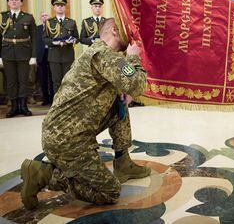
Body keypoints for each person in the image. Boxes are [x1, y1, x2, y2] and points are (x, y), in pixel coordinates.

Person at [20, 18, 151, 210]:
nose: (132, 37)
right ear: (115, 30)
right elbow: (138, 84)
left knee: (119, 104)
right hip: (67, 139)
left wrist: (122, 92)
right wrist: (132, 57)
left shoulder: (99, 51)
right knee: (110, 192)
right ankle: (44, 174)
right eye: (127, 31)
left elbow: (124, 86)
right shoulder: (104, 54)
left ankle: (122, 162)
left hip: (69, 129)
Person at [0, 0, 36, 117]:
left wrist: (33, 56)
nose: (14, 1)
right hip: (7, 53)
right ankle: (14, 107)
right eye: (11, 0)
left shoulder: (28, 17)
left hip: (24, 53)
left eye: (16, 0)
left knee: (23, 80)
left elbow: (34, 38)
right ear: (8, 3)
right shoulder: (2, 17)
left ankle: (23, 106)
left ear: (21, 3)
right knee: (11, 81)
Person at [42, 0, 79, 95]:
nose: (60, 7)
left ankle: (67, 104)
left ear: (65, 7)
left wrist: (72, 40)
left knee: (68, 81)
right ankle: (57, 105)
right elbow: (45, 38)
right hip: (54, 56)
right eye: (57, 5)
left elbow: (77, 38)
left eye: (62, 5)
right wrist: (53, 42)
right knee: (56, 82)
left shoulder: (71, 22)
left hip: (68, 55)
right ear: (54, 8)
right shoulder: (49, 22)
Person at [36, 12, 54, 105]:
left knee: (52, 77)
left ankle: (53, 98)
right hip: (41, 55)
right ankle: (45, 98)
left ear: (50, 18)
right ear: (40, 18)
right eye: (42, 16)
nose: (44, 17)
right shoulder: (37, 28)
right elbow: (34, 43)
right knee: (43, 78)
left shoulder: (54, 27)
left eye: (46, 15)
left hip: (51, 53)